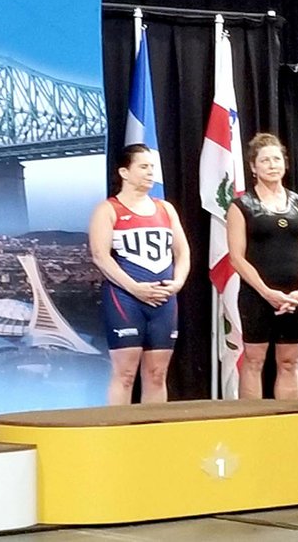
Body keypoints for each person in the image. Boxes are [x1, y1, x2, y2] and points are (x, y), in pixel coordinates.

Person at [89, 144, 191, 405]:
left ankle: (153, 436)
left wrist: (178, 282)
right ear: (124, 171)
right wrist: (135, 288)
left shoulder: (165, 209)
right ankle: (119, 436)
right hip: (125, 299)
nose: (150, 173)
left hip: (164, 301)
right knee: (125, 374)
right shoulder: (108, 209)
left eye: (152, 167)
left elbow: (182, 252)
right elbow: (101, 256)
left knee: (157, 374)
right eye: (143, 167)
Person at [226, 133, 298, 400]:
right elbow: (237, 258)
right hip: (257, 296)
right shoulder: (242, 205)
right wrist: (267, 292)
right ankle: (252, 426)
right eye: (265, 160)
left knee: (289, 362)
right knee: (254, 361)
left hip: (293, 297)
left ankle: (286, 424)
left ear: (285, 164)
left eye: (277, 159)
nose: (272, 165)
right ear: (253, 167)